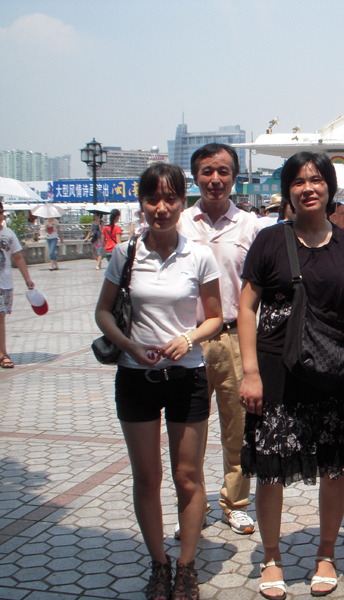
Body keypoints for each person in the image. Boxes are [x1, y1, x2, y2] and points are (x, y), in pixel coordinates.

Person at [94, 163, 223, 600]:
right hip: (136, 379)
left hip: (187, 376)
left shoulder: (199, 255)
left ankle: (186, 565)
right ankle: (159, 563)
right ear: (142, 203)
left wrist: (187, 338)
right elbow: (103, 312)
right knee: (147, 478)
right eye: (153, 199)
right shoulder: (125, 253)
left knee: (188, 477)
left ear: (183, 202)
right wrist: (128, 346)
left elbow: (215, 318)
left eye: (170, 199)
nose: (161, 208)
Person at [238, 152, 344, 599]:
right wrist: (249, 372)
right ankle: (272, 556)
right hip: (276, 369)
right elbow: (246, 307)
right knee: (270, 467)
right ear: (287, 191)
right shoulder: (270, 240)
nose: (308, 187)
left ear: (329, 187)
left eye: (316, 179)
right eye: (298, 181)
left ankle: (326, 553)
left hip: (332, 369)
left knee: (334, 465)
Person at [178, 143, 268, 538]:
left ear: (235, 177)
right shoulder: (179, 223)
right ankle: (192, 507)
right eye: (207, 171)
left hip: (234, 336)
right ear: (195, 176)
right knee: (188, 433)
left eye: (223, 172)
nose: (215, 179)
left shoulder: (251, 226)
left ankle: (236, 503)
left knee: (239, 427)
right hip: (188, 340)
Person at [0, 201, 35, 369]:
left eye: (0, 212)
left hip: (6, 283)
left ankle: (2, 352)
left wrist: (27, 279)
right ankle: (3, 354)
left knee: (1, 317)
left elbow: (18, 257)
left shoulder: (9, 234)